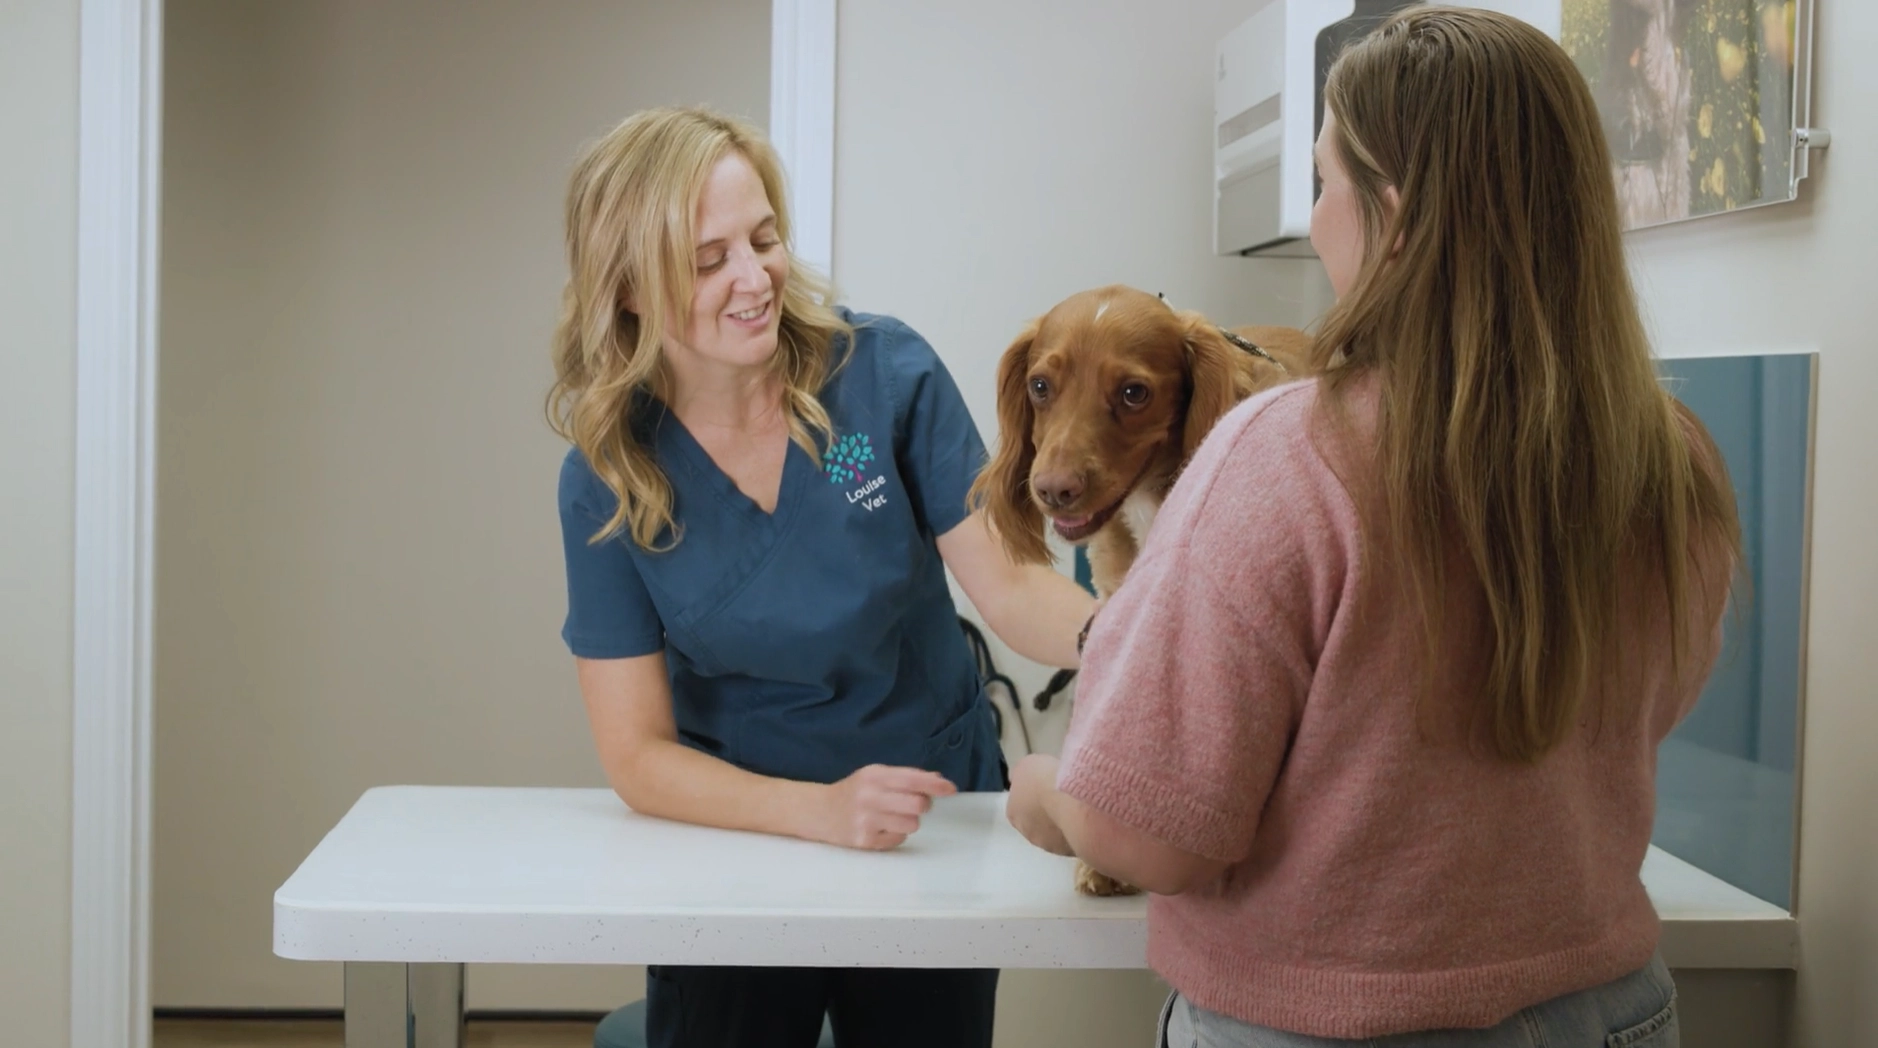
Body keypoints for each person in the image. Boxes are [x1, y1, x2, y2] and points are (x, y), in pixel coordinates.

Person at [1005, 7, 1741, 1047]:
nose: (1313, 221)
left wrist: (1042, 794)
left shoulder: (1284, 453)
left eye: (1323, 183)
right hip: (1615, 1009)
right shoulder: (1674, 458)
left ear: (1389, 211)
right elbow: (1649, 711)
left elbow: (1147, 835)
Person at [547, 106, 1095, 1048]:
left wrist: (1130, 639)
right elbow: (636, 754)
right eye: (709, 258)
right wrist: (818, 813)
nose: (755, 278)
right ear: (630, 288)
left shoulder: (863, 394)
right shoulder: (616, 479)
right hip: (738, 837)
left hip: (931, 815)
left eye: (763, 239)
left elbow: (1007, 586)